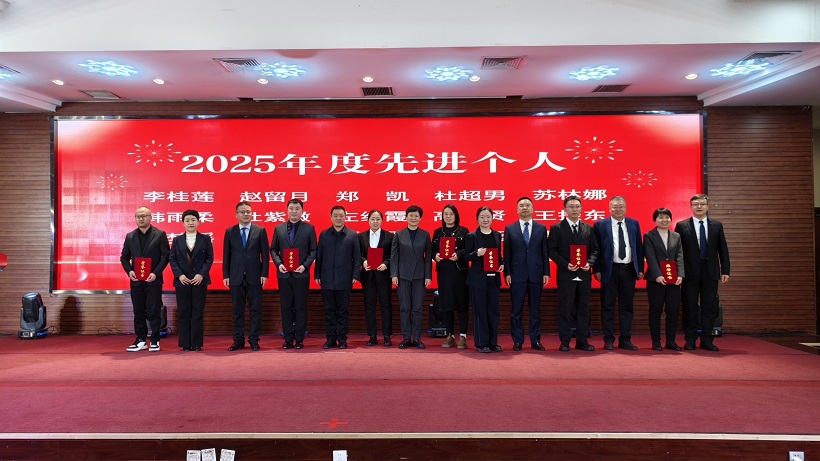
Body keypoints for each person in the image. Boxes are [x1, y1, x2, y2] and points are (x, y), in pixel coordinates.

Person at [674, 194, 730, 352]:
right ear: (691, 207)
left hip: (710, 272)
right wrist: (678, 272)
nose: (699, 207)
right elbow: (677, 252)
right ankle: (690, 340)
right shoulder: (682, 226)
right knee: (689, 307)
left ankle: (707, 340)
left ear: (707, 206)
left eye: (702, 204)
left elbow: (723, 250)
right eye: (695, 204)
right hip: (689, 273)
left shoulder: (717, 225)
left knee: (709, 308)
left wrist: (725, 270)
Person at [548, 195, 599, 352]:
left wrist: (589, 263)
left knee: (583, 309)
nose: (574, 209)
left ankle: (582, 341)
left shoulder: (588, 228)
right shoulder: (556, 228)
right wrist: (565, 264)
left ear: (581, 209)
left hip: (584, 275)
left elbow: (595, 250)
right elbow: (552, 251)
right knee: (565, 309)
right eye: (571, 206)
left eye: (577, 206)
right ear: (565, 209)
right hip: (566, 275)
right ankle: (565, 341)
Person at [593, 196, 644, 351]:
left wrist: (640, 268)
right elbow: (596, 249)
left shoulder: (634, 224)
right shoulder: (600, 225)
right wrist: (597, 270)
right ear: (609, 208)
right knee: (607, 306)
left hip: (628, 270)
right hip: (609, 270)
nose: (618, 209)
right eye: (614, 207)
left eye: (621, 206)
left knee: (627, 306)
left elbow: (638, 248)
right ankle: (608, 339)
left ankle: (625, 339)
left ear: (625, 208)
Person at [120, 206, 170, 352]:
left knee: (154, 310)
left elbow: (165, 256)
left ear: (150, 217)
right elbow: (124, 257)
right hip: (136, 281)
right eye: (138, 216)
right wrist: (129, 271)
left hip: (153, 280)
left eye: (144, 216)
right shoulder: (130, 236)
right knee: (138, 311)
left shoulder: (159, 234)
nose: (141, 218)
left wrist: (156, 273)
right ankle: (141, 340)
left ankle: (155, 340)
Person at [503, 197, 550, 351]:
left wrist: (546, 272)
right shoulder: (510, 229)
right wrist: (507, 273)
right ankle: (517, 341)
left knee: (535, 310)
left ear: (533, 208)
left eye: (527, 205)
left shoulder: (541, 228)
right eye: (521, 205)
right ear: (517, 209)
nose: (524, 208)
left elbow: (544, 252)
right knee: (516, 311)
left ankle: (535, 340)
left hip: (536, 273)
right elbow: (507, 253)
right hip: (516, 274)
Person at [223, 201, 270, 351]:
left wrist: (264, 274)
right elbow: (226, 255)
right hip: (235, 276)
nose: (246, 214)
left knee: (255, 310)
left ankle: (254, 340)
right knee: (238, 311)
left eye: (248, 211)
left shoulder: (260, 231)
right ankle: (238, 341)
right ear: (236, 215)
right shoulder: (230, 232)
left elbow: (265, 255)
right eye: (242, 212)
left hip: (255, 276)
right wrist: (226, 275)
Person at [271, 199, 317, 350]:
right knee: (286, 307)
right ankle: (288, 339)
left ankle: (299, 338)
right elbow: (273, 250)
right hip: (284, 275)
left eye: (297, 208)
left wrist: (305, 266)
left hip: (301, 275)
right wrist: (279, 264)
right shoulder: (279, 229)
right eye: (291, 208)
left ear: (302, 211)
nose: (294, 211)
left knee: (300, 307)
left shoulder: (309, 229)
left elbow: (313, 250)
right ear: (287, 210)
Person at [314, 206, 361, 349]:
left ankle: (342, 339)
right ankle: (330, 339)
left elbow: (357, 258)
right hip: (327, 278)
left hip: (345, 279)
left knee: (343, 311)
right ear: (331, 217)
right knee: (329, 311)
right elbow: (319, 256)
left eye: (341, 215)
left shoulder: (352, 235)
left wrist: (355, 275)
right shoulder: (324, 235)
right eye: (335, 215)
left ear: (345, 217)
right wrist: (317, 274)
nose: (338, 218)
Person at [169, 210, 214, 351]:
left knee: (197, 312)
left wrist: (201, 274)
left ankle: (196, 343)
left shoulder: (205, 239)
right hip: (182, 281)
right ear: (183, 223)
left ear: (198, 222)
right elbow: (172, 259)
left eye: (193, 220)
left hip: (199, 281)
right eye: (187, 220)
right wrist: (180, 275)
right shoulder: (177, 240)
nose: (190, 222)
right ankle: (185, 343)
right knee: (183, 312)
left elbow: (209, 258)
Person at [390, 205, 432, 350]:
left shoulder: (425, 235)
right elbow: (394, 256)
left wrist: (428, 275)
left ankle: (417, 338)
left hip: (420, 276)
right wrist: (394, 274)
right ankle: (406, 338)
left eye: (416, 216)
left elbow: (428, 257)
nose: (413, 218)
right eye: (411, 215)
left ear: (420, 218)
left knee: (417, 309)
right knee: (405, 308)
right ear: (406, 217)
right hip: (403, 276)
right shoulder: (399, 234)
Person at [644, 207, 684, 351]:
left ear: (671, 219)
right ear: (655, 220)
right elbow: (650, 257)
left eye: (667, 217)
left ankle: (671, 341)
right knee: (656, 311)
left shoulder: (676, 236)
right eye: (660, 217)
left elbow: (679, 256)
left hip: (674, 280)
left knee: (673, 311)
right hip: (656, 280)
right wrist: (658, 275)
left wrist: (681, 274)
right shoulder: (649, 236)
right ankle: (656, 341)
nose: (664, 220)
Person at [465, 206, 505, 353]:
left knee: (493, 312)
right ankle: (481, 343)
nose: (485, 219)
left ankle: (493, 342)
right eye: (482, 217)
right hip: (478, 280)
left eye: (488, 216)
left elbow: (498, 255)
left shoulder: (497, 235)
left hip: (494, 279)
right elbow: (466, 256)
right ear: (477, 219)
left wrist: (502, 264)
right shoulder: (472, 236)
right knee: (479, 311)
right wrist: (477, 253)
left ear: (492, 218)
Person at [431, 204, 470, 349]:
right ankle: (450, 336)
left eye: (451, 214)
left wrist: (458, 254)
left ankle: (463, 337)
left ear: (456, 216)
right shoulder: (437, 232)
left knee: (462, 304)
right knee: (446, 305)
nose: (448, 216)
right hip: (444, 273)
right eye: (445, 214)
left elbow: (468, 249)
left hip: (460, 273)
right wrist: (435, 256)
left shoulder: (463, 231)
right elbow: (432, 250)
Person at [358, 210, 394, 347]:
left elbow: (393, 255)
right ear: (368, 220)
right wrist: (363, 262)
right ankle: (372, 336)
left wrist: (386, 264)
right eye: (372, 219)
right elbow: (358, 254)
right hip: (368, 276)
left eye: (378, 219)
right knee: (369, 306)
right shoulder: (361, 237)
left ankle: (387, 336)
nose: (375, 221)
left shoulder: (389, 236)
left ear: (382, 221)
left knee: (386, 305)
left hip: (383, 276)